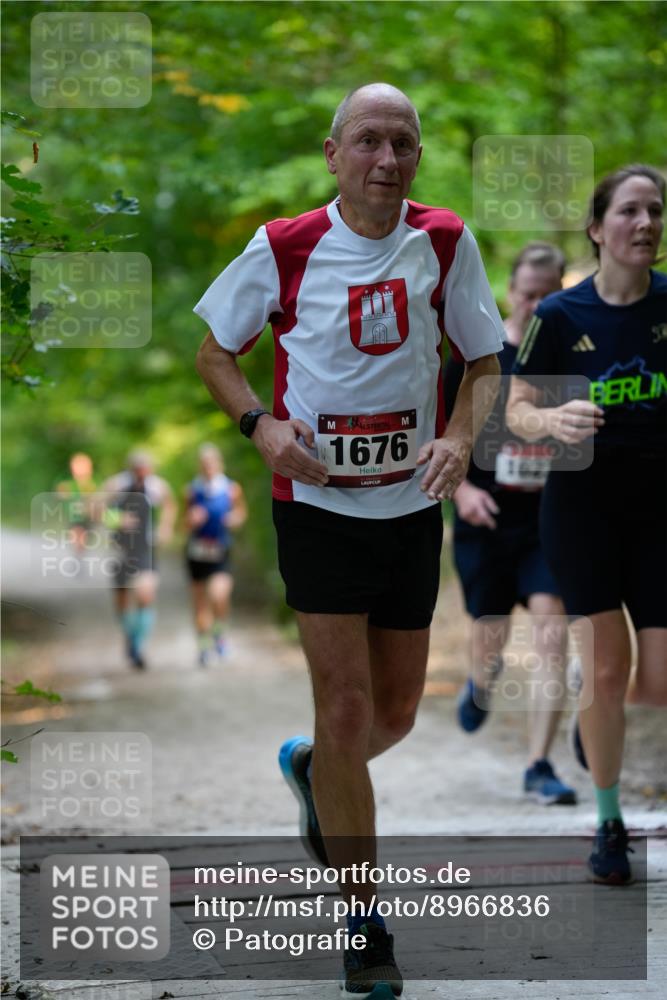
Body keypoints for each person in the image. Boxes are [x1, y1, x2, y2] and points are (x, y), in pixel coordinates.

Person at [194, 83, 504, 996]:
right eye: (367, 140)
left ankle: (312, 772)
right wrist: (260, 427)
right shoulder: (286, 246)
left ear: (416, 156)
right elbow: (216, 351)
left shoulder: (444, 240)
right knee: (342, 708)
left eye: (401, 143)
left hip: (409, 507)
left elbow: (482, 362)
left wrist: (455, 436)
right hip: (316, 508)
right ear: (333, 154)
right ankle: (363, 924)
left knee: (393, 717)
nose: (385, 158)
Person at [507, 165, 666, 884]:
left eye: (655, 212)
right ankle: (608, 824)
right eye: (629, 211)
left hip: (659, 507)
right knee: (606, 665)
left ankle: (589, 723)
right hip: (582, 507)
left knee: (654, 680)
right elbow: (511, 411)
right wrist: (551, 416)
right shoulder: (560, 316)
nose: (645, 224)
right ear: (597, 229)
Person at [444, 242, 578, 805]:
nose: (536, 304)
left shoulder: (572, 354)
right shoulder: (480, 354)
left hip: (547, 522)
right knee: (490, 637)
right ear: (510, 291)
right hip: (487, 517)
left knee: (553, 635)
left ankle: (540, 764)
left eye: (549, 296)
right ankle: (480, 682)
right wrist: (465, 491)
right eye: (528, 294)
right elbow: (444, 438)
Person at [103, 450, 177, 669]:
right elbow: (96, 508)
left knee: (146, 595)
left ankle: (137, 645)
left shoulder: (157, 486)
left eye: (146, 471)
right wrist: (117, 519)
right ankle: (129, 636)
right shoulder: (115, 485)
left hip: (146, 549)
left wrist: (165, 528)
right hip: (121, 548)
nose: (142, 475)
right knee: (122, 599)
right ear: (131, 469)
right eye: (138, 471)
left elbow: (170, 506)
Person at [184, 443, 247, 666]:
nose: (209, 467)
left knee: (219, 596)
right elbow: (182, 524)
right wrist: (191, 519)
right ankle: (203, 646)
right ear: (200, 466)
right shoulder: (192, 490)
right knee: (200, 601)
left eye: (212, 463)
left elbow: (241, 512)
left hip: (221, 549)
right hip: (197, 551)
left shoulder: (231, 488)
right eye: (205, 464)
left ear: (219, 464)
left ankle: (219, 635)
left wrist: (234, 519)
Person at [56, 452, 97, 560]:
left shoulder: (93, 483)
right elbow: (60, 494)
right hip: (74, 518)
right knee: (76, 536)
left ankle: (80, 554)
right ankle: (78, 555)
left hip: (88, 517)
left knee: (85, 540)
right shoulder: (69, 483)